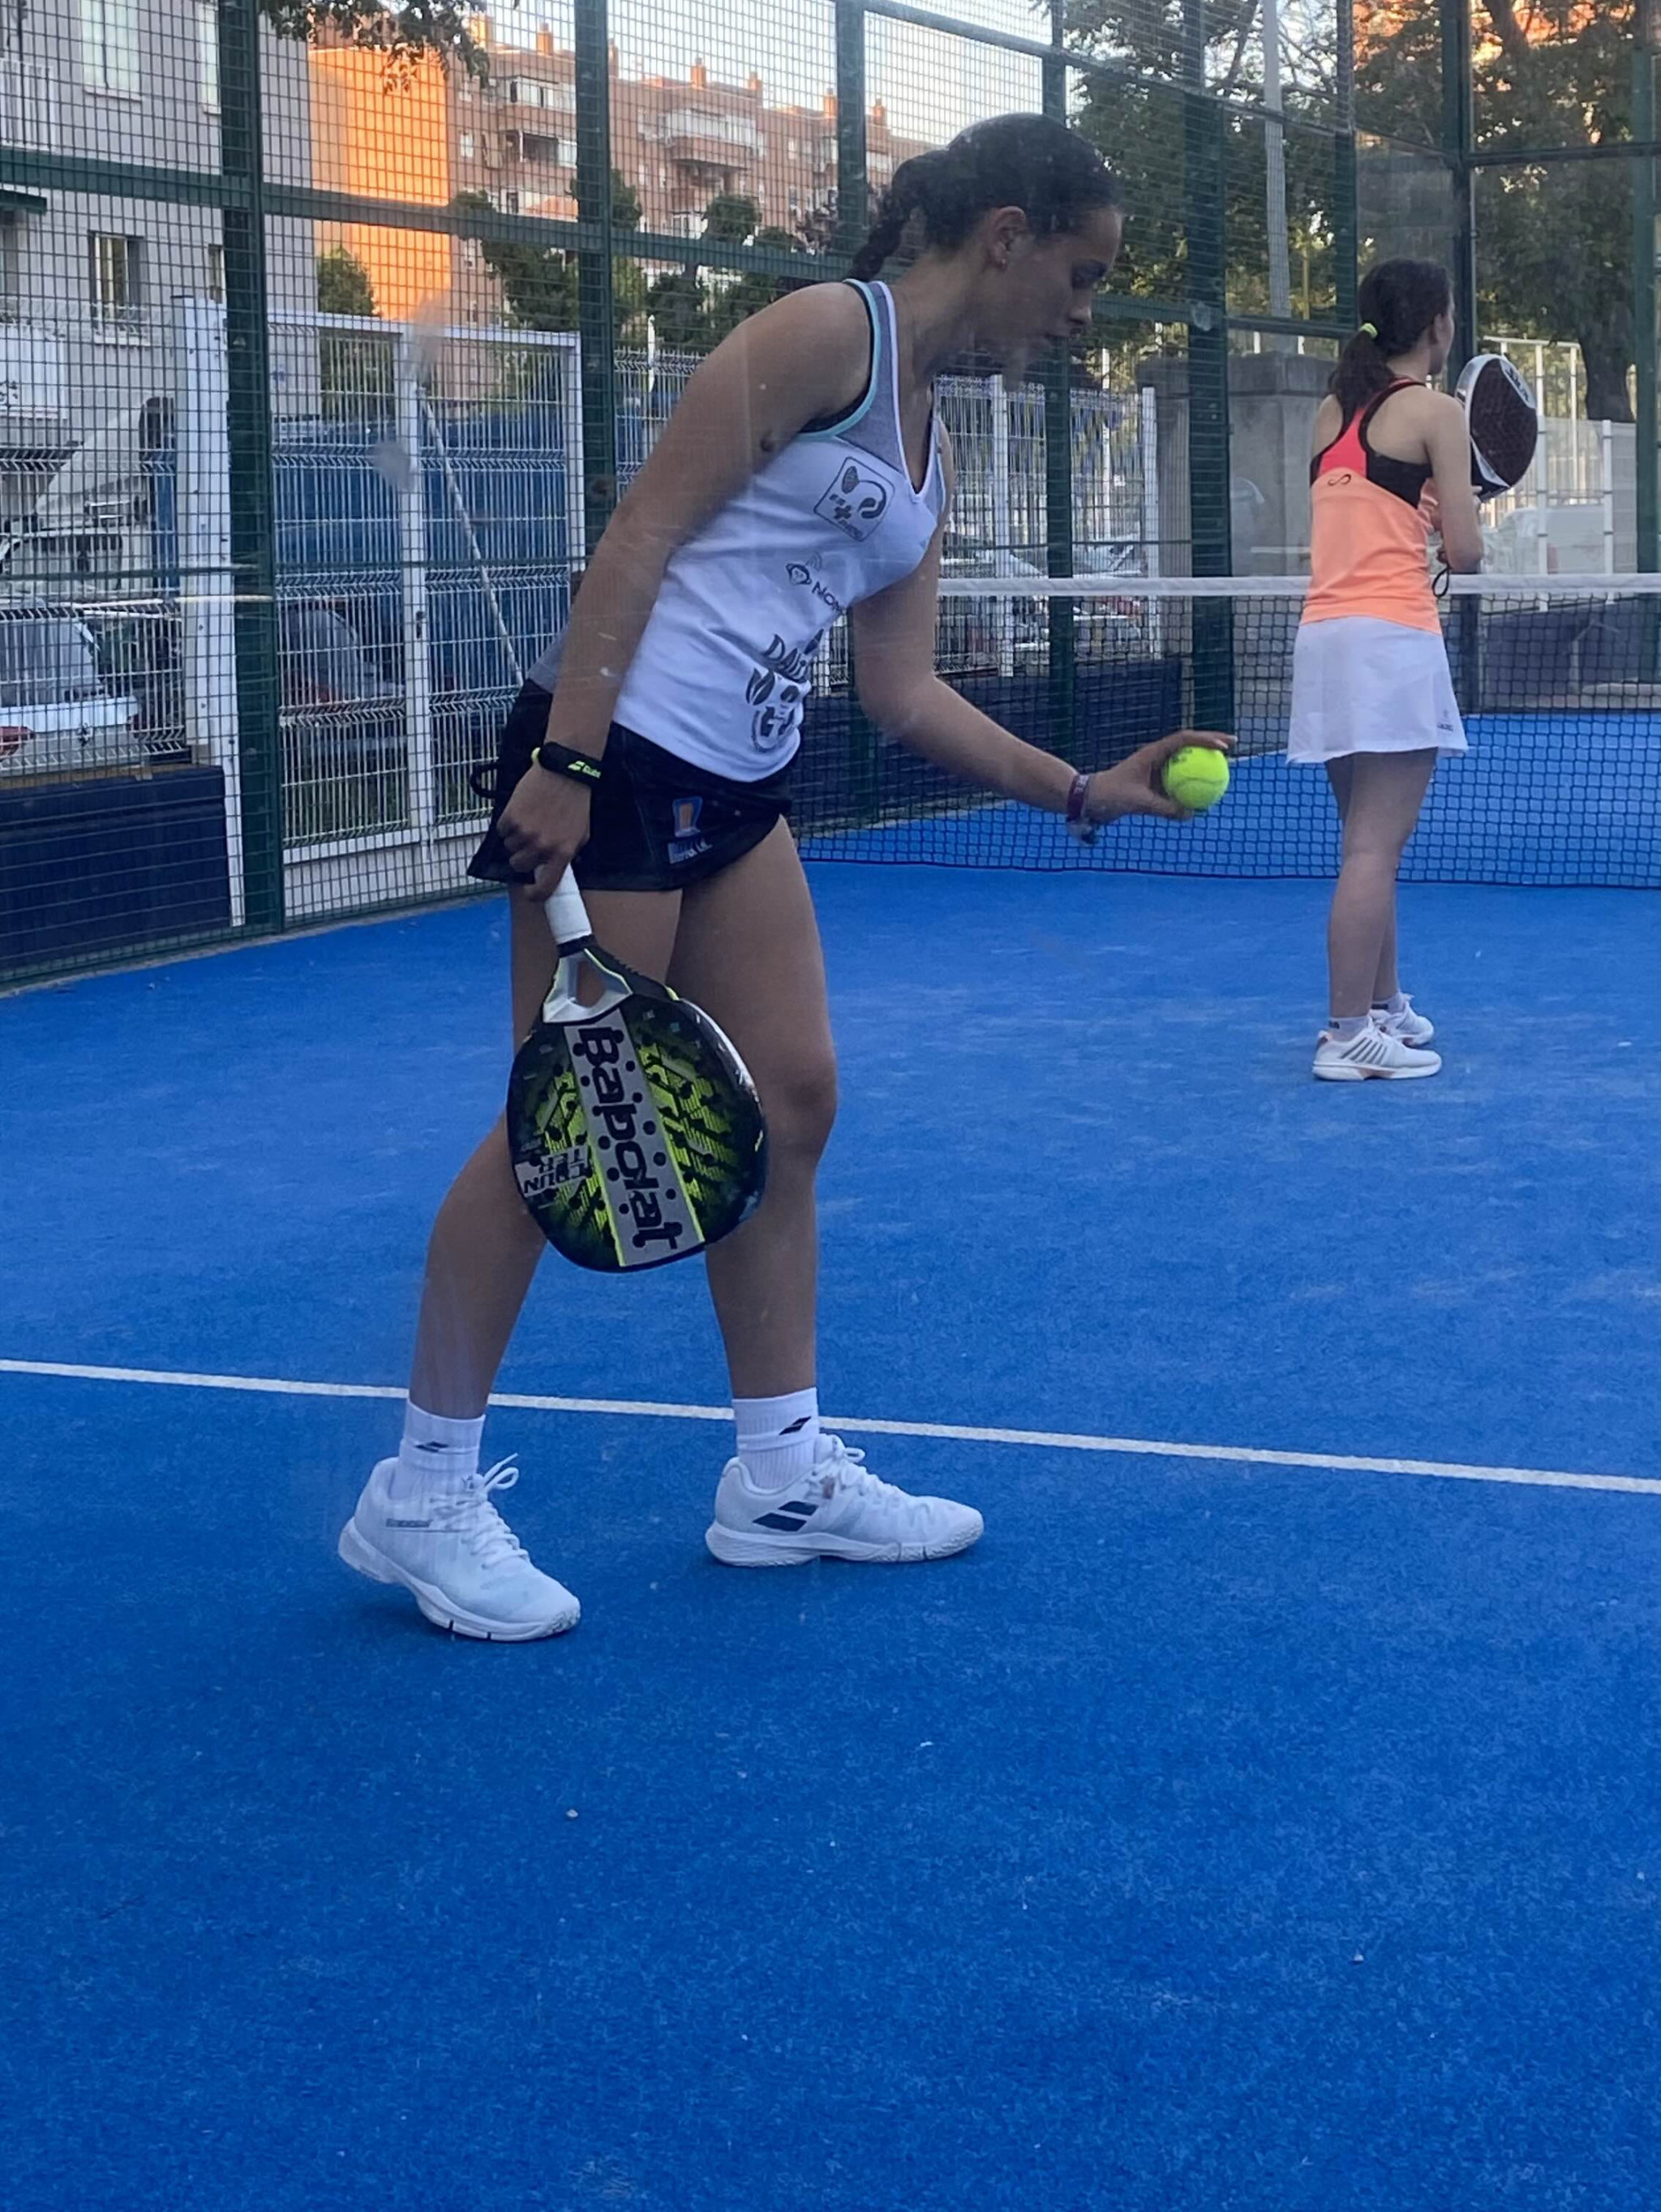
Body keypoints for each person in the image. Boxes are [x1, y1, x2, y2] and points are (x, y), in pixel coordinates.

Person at [338, 112, 1221, 1639]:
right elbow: (642, 532)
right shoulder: (828, 334)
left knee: (794, 1098)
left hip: (738, 790)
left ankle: (781, 1477)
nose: (1086, 313)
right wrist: (567, 759)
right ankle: (418, 1493)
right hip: (617, 763)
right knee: (569, 1123)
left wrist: (1081, 789)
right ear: (1004, 236)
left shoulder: (932, 437)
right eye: (1081, 276)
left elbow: (901, 691)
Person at [1288, 257, 1483, 1083]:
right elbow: (1465, 553)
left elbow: (1370, 510)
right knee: (1373, 847)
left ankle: (1383, 1006)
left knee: (1365, 844)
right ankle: (1344, 1034)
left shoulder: (1330, 411)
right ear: (1437, 325)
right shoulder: (1437, 412)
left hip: (1324, 639)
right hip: (1391, 640)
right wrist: (1456, 516)